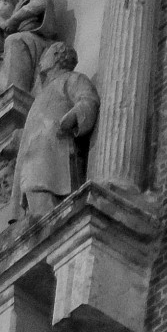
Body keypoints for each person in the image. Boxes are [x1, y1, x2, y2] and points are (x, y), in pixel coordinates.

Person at [15, 45, 100, 216]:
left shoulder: (72, 79)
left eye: (44, 56)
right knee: (33, 189)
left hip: (55, 148)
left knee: (47, 189)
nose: (40, 62)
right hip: (33, 152)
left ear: (55, 57)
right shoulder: (42, 93)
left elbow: (88, 99)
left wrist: (75, 116)